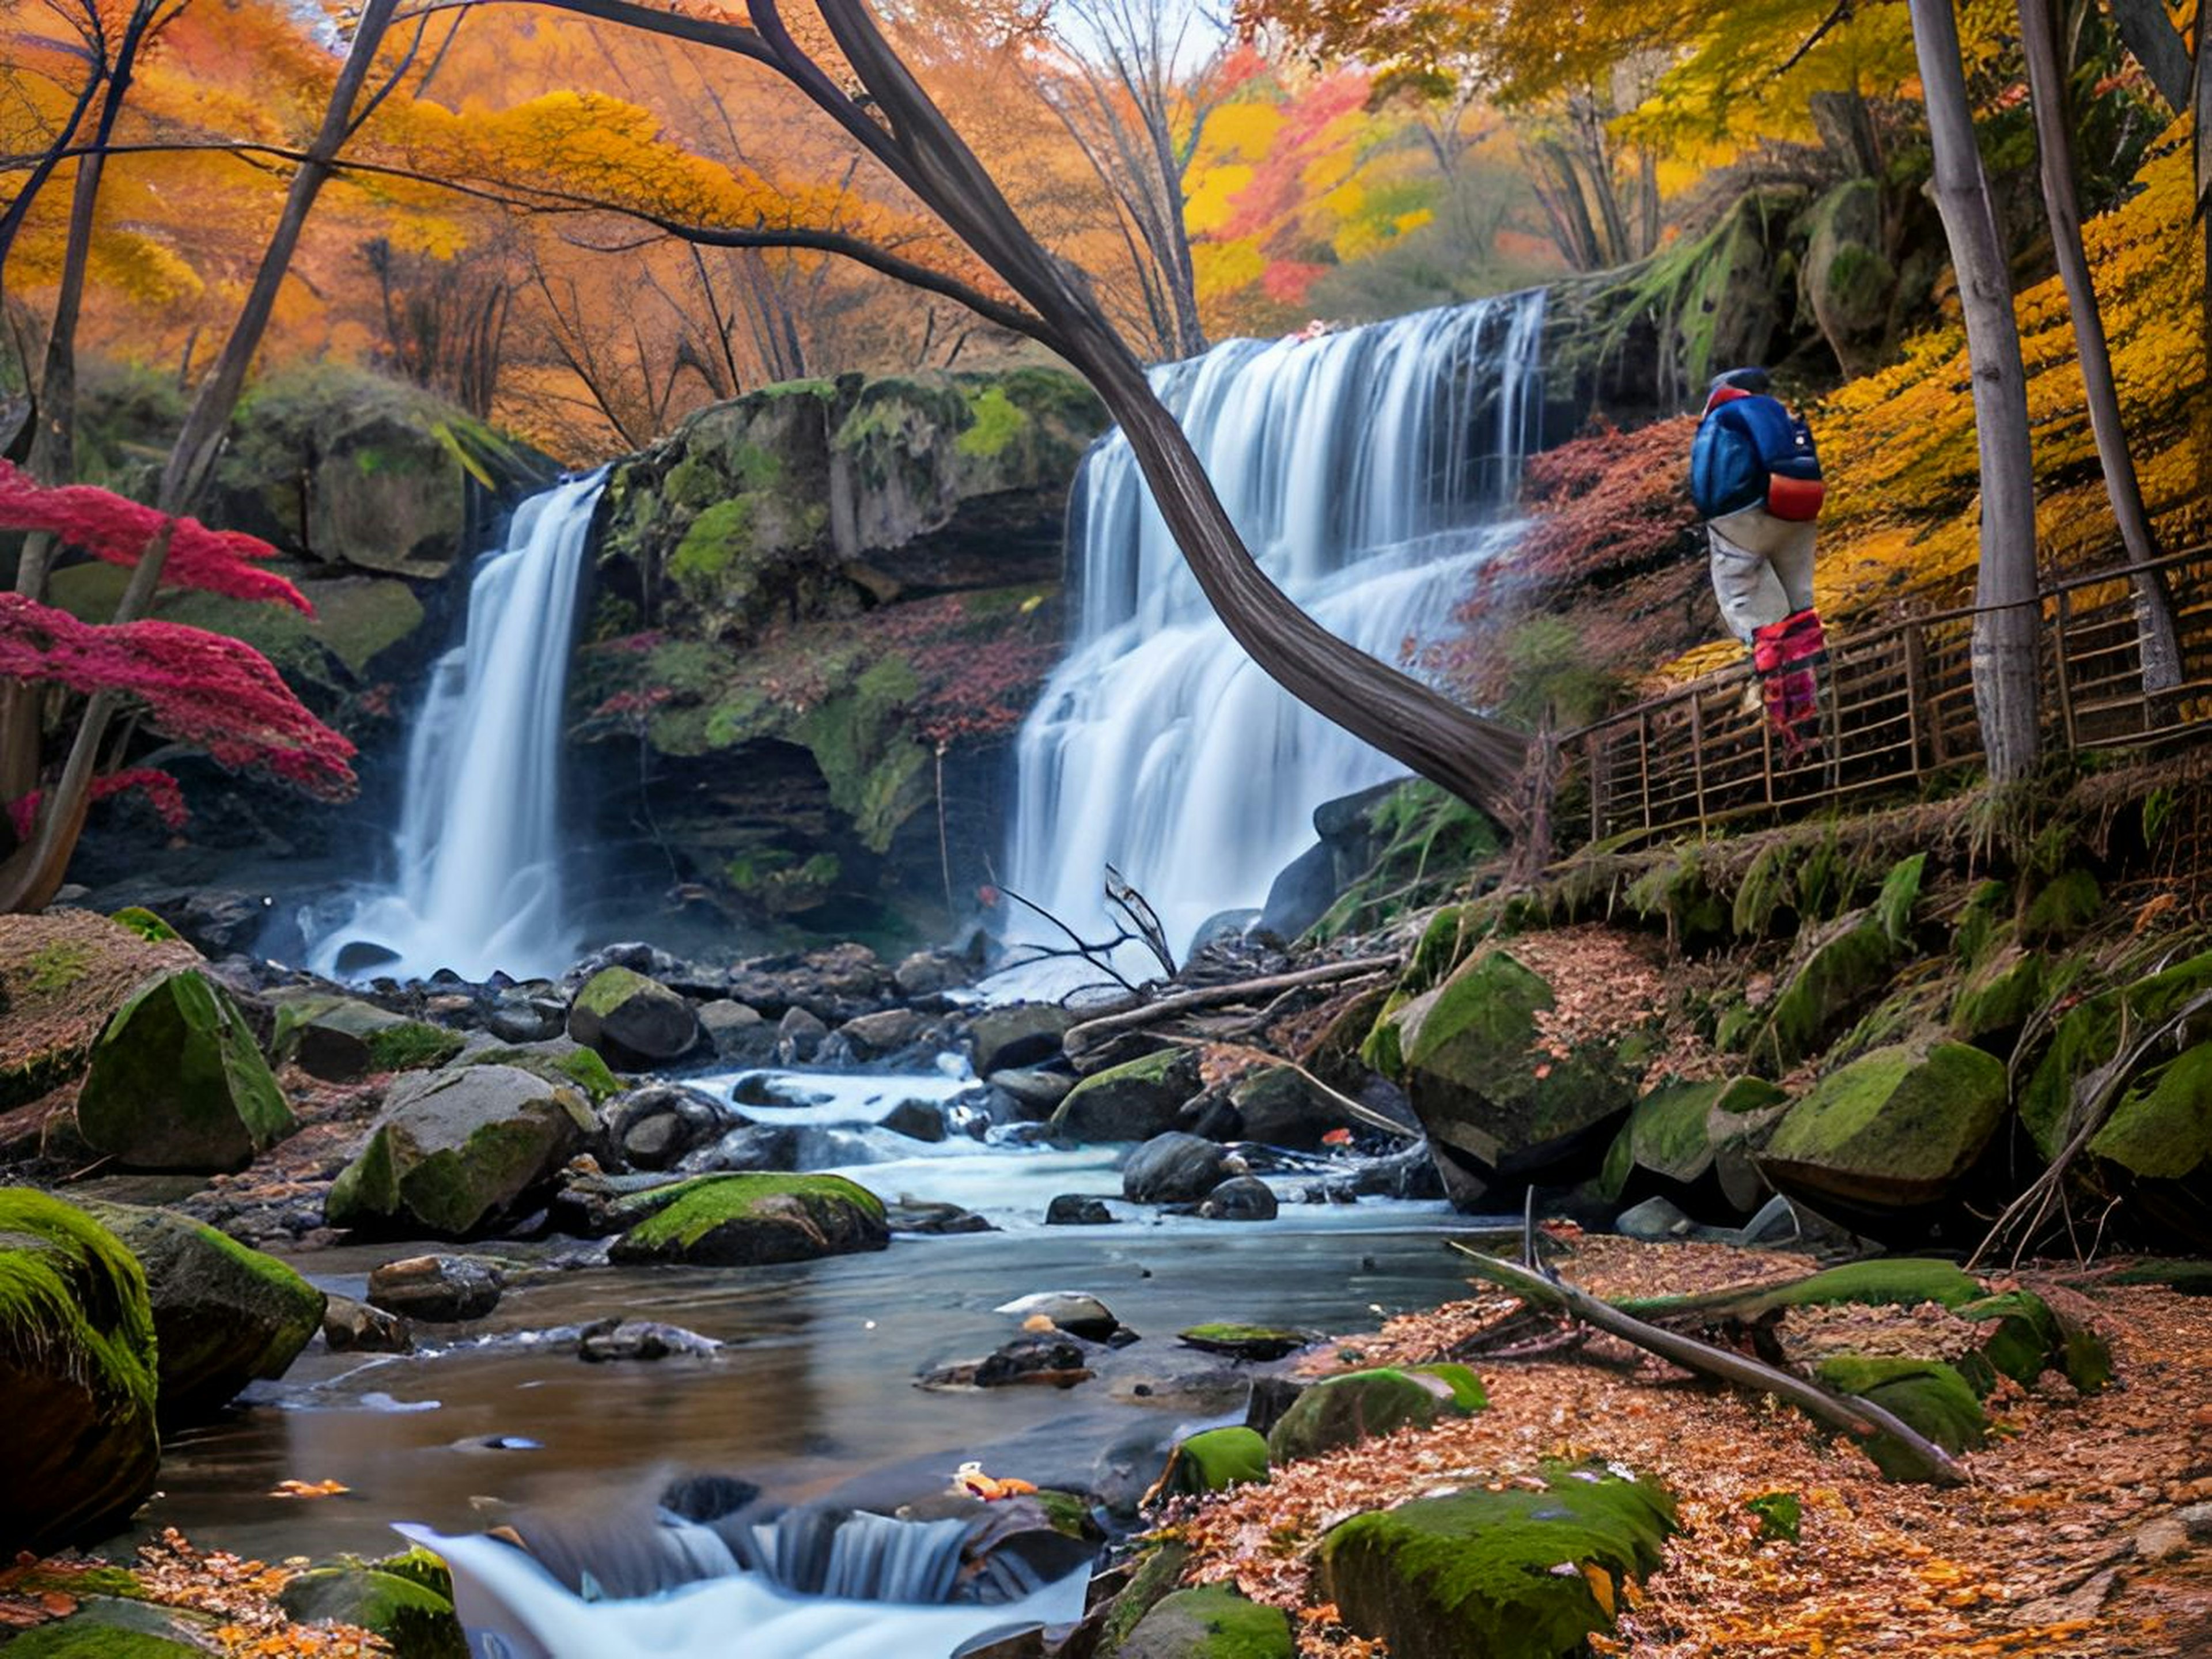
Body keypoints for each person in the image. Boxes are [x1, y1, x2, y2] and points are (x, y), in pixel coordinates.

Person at [1690, 366, 1827, 750]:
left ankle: (1791, 727)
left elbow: (1704, 488)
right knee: (1800, 613)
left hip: (1741, 521)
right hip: (1796, 512)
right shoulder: (1778, 414)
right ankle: (1821, 699)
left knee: (1754, 614)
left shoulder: (1722, 419)